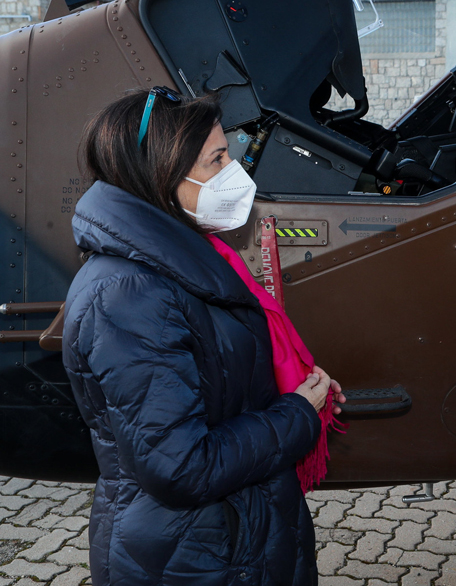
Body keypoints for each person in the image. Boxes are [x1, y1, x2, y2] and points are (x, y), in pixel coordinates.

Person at [62, 88, 346, 585]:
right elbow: (182, 466)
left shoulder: (182, 259)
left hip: (231, 540)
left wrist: (296, 390)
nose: (233, 172)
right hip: (193, 557)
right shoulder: (127, 296)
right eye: (217, 159)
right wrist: (296, 414)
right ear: (163, 173)